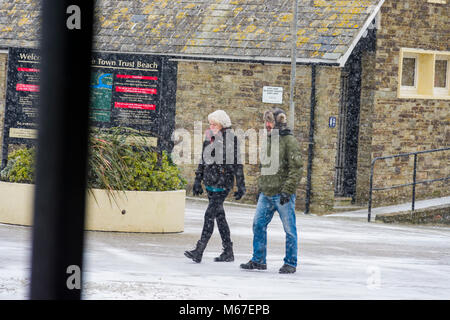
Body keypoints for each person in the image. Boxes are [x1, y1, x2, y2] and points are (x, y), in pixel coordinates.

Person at [240, 107, 302, 274]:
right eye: (266, 121)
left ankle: (290, 262)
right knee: (258, 225)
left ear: (278, 123)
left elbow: (296, 168)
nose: (267, 125)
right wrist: (261, 187)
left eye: (270, 121)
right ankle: (258, 260)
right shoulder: (268, 138)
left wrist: (287, 190)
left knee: (289, 230)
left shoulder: (289, 141)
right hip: (266, 193)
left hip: (282, 194)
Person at [185, 110, 246, 263]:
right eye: (210, 124)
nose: (211, 126)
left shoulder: (231, 139)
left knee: (209, 215)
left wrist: (240, 185)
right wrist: (198, 180)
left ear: (222, 124)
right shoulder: (209, 137)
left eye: (214, 124)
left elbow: (237, 164)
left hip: (223, 183)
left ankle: (199, 250)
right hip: (210, 182)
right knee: (220, 217)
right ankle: (228, 251)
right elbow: (203, 159)